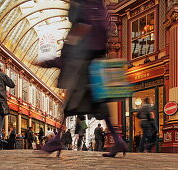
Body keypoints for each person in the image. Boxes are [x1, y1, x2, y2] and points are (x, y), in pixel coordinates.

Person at [35, 0, 128, 157]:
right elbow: (105, 31)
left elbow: (79, 29)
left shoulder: (81, 4)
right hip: (96, 60)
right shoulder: (99, 5)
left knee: (71, 103)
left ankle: (56, 140)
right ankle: (119, 142)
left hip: (83, 62)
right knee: (100, 105)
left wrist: (56, 60)